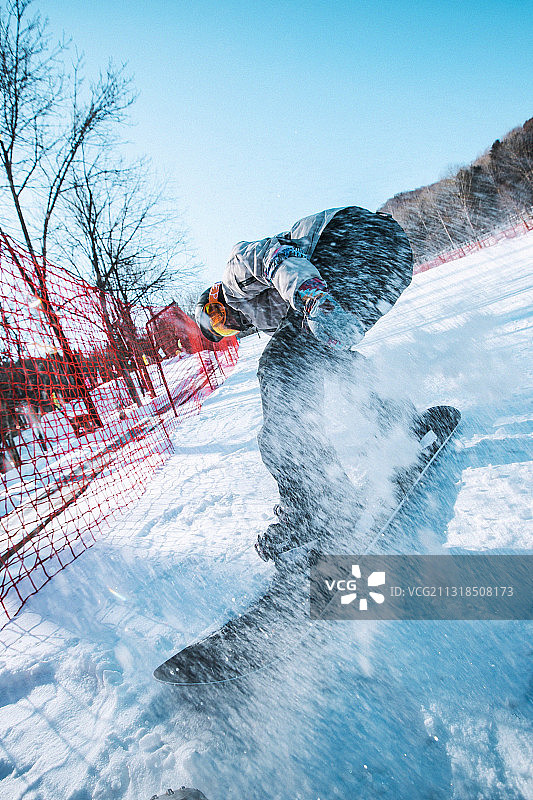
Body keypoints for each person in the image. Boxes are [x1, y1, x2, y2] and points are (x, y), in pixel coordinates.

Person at [195, 206, 414, 560]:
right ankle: (398, 422)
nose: (230, 322)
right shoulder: (276, 317)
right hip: (393, 261)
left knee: (280, 365)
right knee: (321, 357)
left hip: (348, 239)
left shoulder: (236, 276)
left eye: (216, 314)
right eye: (222, 329)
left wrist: (314, 298)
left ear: (216, 296)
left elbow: (276, 257)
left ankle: (317, 505)